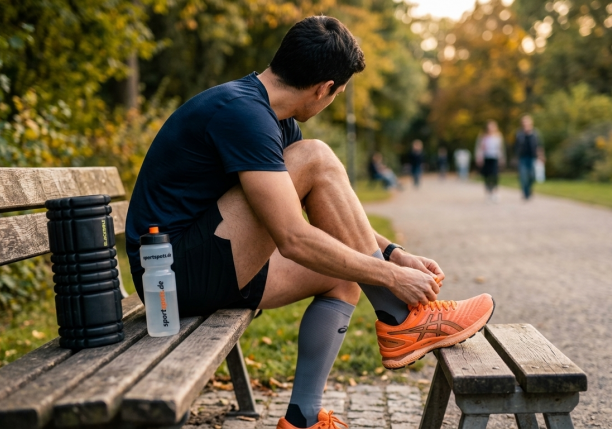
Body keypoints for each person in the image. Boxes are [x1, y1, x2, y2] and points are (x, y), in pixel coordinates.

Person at [125, 16, 494, 429]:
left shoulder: (276, 119)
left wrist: (395, 255)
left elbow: (329, 217)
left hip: (201, 265)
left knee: (343, 275)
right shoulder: (242, 113)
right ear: (324, 89)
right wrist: (390, 277)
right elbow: (293, 238)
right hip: (171, 281)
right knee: (316, 158)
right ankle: (401, 320)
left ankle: (302, 419)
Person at [514, 115, 545, 200]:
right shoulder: (519, 133)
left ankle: (529, 189)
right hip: (522, 157)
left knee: (532, 175)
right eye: (524, 122)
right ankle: (526, 193)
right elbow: (516, 146)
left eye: (527, 121)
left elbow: (539, 145)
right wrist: (516, 157)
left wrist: (541, 156)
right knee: (523, 176)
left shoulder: (535, 133)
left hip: (533, 157)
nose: (525, 123)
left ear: (530, 122)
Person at [475, 120, 506, 201]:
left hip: (495, 157)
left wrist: (502, 158)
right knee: (487, 175)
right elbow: (479, 148)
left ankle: (495, 191)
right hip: (486, 158)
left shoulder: (498, 136)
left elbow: (501, 149)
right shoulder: (483, 136)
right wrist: (479, 157)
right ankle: (488, 192)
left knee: (495, 175)